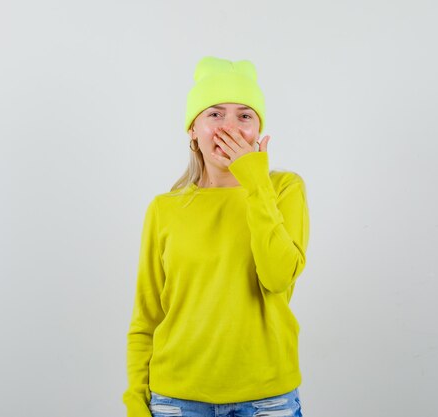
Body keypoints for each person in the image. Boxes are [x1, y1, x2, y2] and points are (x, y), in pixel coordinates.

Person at [122, 56, 310, 417]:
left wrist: (255, 180)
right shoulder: (165, 209)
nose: (230, 127)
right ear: (192, 129)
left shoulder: (284, 189)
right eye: (215, 114)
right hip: (177, 400)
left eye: (244, 115)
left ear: (259, 129)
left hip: (267, 398)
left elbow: (277, 277)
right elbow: (147, 317)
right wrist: (135, 399)